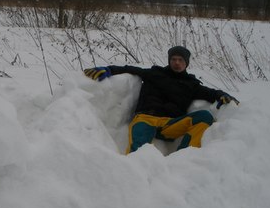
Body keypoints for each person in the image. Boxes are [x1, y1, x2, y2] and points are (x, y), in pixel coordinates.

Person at [84, 46, 238, 153]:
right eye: (174, 59)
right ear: (169, 60)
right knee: (138, 150)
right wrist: (109, 69)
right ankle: (133, 172)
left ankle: (184, 156)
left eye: (181, 60)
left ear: (186, 63)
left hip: (170, 124)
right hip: (145, 118)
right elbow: (129, 69)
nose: (177, 63)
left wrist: (223, 96)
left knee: (205, 117)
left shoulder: (191, 84)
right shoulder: (155, 73)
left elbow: (211, 93)